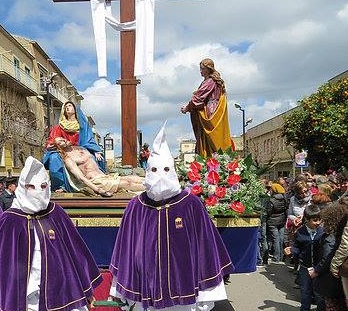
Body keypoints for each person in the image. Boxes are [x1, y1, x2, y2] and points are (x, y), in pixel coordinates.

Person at [109, 124, 234, 311]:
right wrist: (120, 289)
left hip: (184, 292)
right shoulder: (136, 206)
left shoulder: (191, 204)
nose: (160, 177)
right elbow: (125, 250)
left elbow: (206, 248)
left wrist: (209, 293)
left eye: (166, 170)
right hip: (145, 290)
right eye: (154, 171)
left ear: (174, 171)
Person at [0, 156, 102, 311]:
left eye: (43, 186)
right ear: (22, 186)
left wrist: (86, 289)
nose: (38, 192)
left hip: (60, 292)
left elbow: (76, 252)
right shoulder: (9, 220)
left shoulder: (56, 213)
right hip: (24, 295)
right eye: (31, 187)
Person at [43, 101, 105, 192]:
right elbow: (52, 140)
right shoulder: (59, 127)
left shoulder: (82, 127)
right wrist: (50, 145)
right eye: (65, 107)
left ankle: (96, 181)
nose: (67, 108)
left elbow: (89, 139)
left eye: (70, 106)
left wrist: (96, 150)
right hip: (64, 153)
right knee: (54, 158)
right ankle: (62, 186)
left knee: (92, 158)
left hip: (81, 151)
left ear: (75, 110)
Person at [180, 58, 232, 158]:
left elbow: (198, 97)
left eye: (202, 69)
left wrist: (187, 108)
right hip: (212, 110)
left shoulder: (210, 81)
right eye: (200, 69)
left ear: (209, 69)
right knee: (208, 139)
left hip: (209, 111)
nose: (201, 71)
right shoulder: (211, 81)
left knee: (210, 139)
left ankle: (212, 159)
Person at [56, 140, 145, 197]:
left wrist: (96, 152)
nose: (63, 140)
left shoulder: (81, 148)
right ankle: (152, 189)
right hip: (96, 181)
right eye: (59, 142)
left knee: (129, 178)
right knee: (127, 183)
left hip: (103, 176)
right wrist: (99, 190)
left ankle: (153, 181)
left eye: (62, 138)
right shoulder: (68, 159)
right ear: (58, 148)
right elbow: (81, 178)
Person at [284, 204, 326, 311]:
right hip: (304, 267)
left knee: (319, 294)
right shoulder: (300, 232)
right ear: (307, 219)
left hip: (318, 268)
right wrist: (291, 250)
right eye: (315, 220)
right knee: (305, 292)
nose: (318, 223)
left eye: (319, 220)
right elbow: (297, 247)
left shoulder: (322, 232)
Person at [265, 183, 287, 263]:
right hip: (282, 220)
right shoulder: (284, 198)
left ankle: (276, 257)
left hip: (273, 221)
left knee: (275, 239)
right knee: (281, 238)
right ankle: (281, 256)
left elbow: (269, 211)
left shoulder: (271, 200)